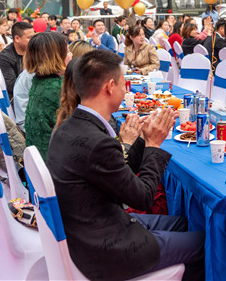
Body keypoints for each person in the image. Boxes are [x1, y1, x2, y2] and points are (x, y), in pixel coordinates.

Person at [47, 49, 205, 280]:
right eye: (124, 84)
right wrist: (153, 145)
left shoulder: (68, 127)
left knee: (182, 223)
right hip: (105, 249)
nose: (125, 89)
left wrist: (141, 139)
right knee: (206, 243)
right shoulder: (97, 142)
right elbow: (142, 197)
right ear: (110, 87)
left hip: (86, 230)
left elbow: (119, 177)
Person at [24, 32, 72, 159]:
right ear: (56, 57)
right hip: (52, 162)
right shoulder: (57, 88)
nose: (71, 55)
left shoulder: (39, 80)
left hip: (36, 159)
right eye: (67, 52)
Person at [0, 22, 34, 102]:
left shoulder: (34, 51)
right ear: (17, 38)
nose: (33, 40)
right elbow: (11, 86)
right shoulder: (5, 58)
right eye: (29, 38)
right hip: (17, 100)